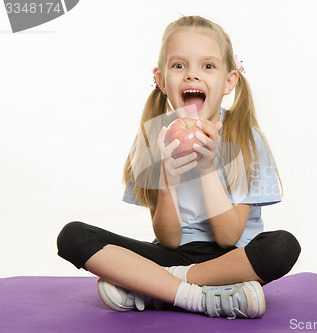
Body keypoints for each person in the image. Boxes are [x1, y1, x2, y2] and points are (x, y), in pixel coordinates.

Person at [56, 15, 300, 319]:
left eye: (207, 66)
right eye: (179, 65)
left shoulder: (245, 137)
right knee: (73, 237)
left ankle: (154, 285)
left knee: (282, 246)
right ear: (161, 80)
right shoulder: (153, 138)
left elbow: (229, 237)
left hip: (234, 258)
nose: (192, 76)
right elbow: (169, 239)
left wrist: (207, 168)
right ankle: (198, 296)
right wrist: (167, 181)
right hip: (172, 254)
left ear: (229, 81)